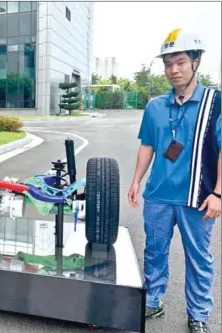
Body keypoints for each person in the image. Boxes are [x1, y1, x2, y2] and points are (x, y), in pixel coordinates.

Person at [128, 29, 221, 333]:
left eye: (180, 62)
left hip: (197, 197)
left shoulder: (214, 102)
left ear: (196, 61)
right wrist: (136, 181)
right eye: (168, 64)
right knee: (155, 251)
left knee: (198, 259)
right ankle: (153, 299)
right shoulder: (155, 106)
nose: (174, 70)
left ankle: (198, 314)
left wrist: (218, 193)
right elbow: (148, 145)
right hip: (158, 196)